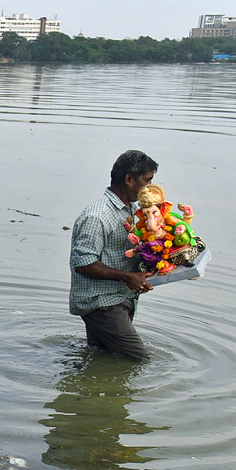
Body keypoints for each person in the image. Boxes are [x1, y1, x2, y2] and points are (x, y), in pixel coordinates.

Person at [69, 149, 158, 361]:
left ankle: (87, 389)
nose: (151, 188)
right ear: (129, 179)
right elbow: (83, 264)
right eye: (147, 181)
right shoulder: (97, 216)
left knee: (102, 357)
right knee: (139, 360)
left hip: (119, 297)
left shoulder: (133, 210)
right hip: (101, 302)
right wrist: (128, 277)